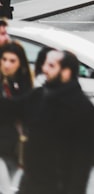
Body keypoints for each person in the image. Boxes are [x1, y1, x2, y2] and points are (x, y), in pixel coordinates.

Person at [0, 48, 94, 194]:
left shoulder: (82, 108)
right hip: (30, 184)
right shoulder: (39, 95)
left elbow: (82, 162)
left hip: (58, 187)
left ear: (66, 72)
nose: (44, 69)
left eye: (51, 66)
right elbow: (10, 109)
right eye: (45, 64)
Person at [0, 41, 33, 194]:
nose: (7, 64)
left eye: (12, 61)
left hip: (14, 149)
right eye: (4, 59)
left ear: (20, 63)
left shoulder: (23, 84)